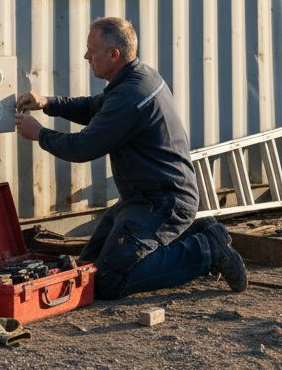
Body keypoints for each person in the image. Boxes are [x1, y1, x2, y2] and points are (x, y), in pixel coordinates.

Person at [14, 16, 247, 300]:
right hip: (143, 199)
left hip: (164, 202)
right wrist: (49, 103)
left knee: (108, 281)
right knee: (88, 265)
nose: (86, 56)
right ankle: (200, 231)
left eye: (92, 50)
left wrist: (40, 135)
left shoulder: (132, 95)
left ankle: (206, 251)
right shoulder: (137, 77)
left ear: (114, 54)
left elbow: (84, 147)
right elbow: (94, 108)